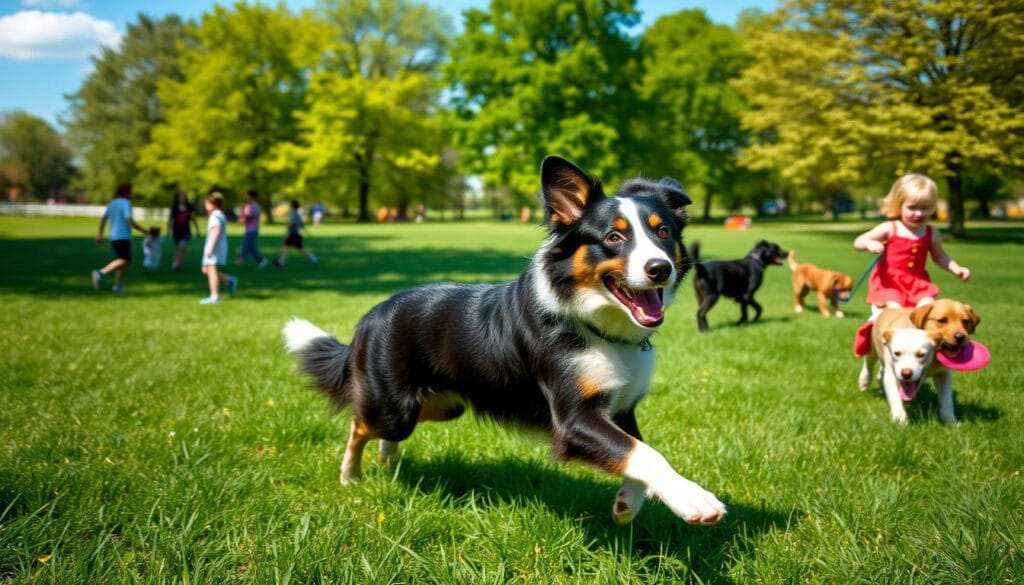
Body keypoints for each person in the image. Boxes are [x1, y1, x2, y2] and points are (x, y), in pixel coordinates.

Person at [852, 173, 971, 355]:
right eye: (912, 208)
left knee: (929, 311)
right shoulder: (889, 228)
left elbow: (940, 257)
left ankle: (925, 351)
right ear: (899, 205)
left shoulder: (932, 233)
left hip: (918, 285)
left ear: (933, 208)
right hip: (890, 284)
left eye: (925, 208)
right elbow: (858, 241)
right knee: (894, 314)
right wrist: (870, 243)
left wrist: (956, 268)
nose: (918, 213)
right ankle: (887, 348)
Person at [92, 182, 149, 293]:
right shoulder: (126, 203)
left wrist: (100, 234)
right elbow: (129, 221)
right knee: (125, 260)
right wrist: (144, 231)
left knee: (122, 260)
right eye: (131, 191)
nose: (132, 193)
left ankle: (117, 286)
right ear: (127, 192)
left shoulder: (112, 203)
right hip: (122, 236)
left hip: (113, 236)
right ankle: (101, 272)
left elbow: (103, 218)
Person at [200, 190, 239, 304]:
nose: (205, 205)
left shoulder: (215, 216)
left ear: (214, 203)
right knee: (206, 269)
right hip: (218, 246)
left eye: (207, 203)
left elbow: (216, 231)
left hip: (214, 247)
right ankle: (229, 280)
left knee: (211, 269)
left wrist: (210, 247)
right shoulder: (220, 214)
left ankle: (214, 296)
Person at [274, 200, 318, 267]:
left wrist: (286, 232)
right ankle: (313, 257)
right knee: (300, 249)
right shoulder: (298, 214)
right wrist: (307, 233)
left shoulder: (294, 214)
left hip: (293, 235)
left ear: (292, 206)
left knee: (286, 247)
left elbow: (291, 223)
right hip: (297, 235)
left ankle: (281, 262)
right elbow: (301, 225)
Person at [167, 190, 199, 271]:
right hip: (176, 231)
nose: (181, 198)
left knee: (182, 246)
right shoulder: (174, 207)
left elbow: (194, 219)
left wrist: (197, 230)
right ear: (177, 198)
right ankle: (179, 263)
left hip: (186, 231)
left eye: (183, 197)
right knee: (178, 248)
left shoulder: (189, 206)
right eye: (180, 197)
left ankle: (175, 264)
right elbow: (171, 219)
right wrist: (168, 230)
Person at [236, 190, 268, 268]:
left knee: (246, 244)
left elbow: (251, 216)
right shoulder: (248, 206)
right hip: (248, 229)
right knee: (251, 248)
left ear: (252, 197)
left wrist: (243, 217)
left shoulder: (255, 206)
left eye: (247, 196)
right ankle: (262, 260)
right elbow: (245, 215)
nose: (246, 198)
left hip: (253, 229)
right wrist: (242, 217)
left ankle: (242, 258)